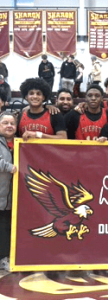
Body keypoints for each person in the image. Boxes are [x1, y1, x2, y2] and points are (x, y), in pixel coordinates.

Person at [0, 112, 17, 271]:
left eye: (12, 123)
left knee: (6, 228)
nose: (9, 126)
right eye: (5, 123)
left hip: (12, 198)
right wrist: (9, 167)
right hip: (0, 195)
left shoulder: (20, 142)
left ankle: (4, 259)